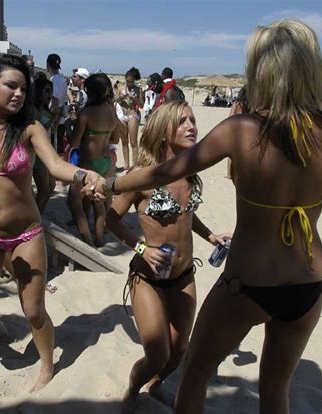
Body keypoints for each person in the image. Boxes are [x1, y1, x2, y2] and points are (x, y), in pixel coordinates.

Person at [94, 20, 322, 413]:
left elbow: (162, 172)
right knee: (276, 391)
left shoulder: (242, 129)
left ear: (262, 71)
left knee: (196, 372)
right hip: (307, 285)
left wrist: (111, 186)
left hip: (248, 283)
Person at [0, 54, 100, 392]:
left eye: (23, 88)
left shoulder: (30, 129)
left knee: (33, 311)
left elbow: (56, 165)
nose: (18, 94)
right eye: (10, 86)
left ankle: (47, 365)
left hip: (26, 234)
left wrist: (82, 174)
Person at [106, 100, 230, 412]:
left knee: (179, 351)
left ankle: (155, 384)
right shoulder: (143, 176)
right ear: (164, 132)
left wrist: (211, 235)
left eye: (193, 119)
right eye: (183, 121)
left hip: (183, 276)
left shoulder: (190, 173)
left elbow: (186, 215)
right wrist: (140, 248)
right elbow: (110, 219)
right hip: (148, 279)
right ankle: (134, 388)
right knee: (157, 354)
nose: (192, 126)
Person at [67, 73, 117, 247]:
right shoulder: (111, 110)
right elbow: (115, 139)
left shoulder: (86, 112)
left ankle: (87, 239)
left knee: (73, 201)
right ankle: (99, 238)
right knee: (98, 201)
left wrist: (72, 125)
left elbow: (74, 141)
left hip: (89, 163)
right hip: (106, 161)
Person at [32, 77, 56, 212]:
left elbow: (52, 127)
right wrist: (54, 118)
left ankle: (37, 215)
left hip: (48, 152)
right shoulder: (34, 110)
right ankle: (36, 217)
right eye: (46, 91)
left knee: (51, 186)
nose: (49, 94)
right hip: (38, 154)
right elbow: (38, 129)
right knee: (44, 191)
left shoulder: (46, 109)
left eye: (51, 91)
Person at [116, 67, 143, 169]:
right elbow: (115, 101)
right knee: (124, 141)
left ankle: (135, 164)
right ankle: (126, 164)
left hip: (133, 114)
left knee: (133, 141)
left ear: (134, 80)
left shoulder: (138, 90)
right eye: (127, 81)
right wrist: (121, 98)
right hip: (122, 115)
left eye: (131, 82)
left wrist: (135, 99)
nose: (129, 83)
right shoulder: (120, 88)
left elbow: (141, 105)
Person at [226, 86, 250, 179]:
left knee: (231, 153)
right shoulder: (249, 105)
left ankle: (229, 173)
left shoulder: (237, 104)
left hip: (236, 130)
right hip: (245, 130)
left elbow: (230, 117)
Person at [46, 53, 67, 153]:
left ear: (47, 65)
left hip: (55, 121)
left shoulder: (55, 80)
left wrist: (51, 121)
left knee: (54, 151)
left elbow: (55, 101)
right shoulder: (61, 78)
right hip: (58, 119)